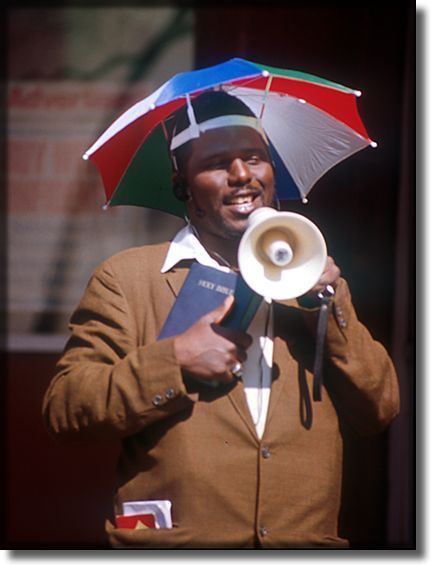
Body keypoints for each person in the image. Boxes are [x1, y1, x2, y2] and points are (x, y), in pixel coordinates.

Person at [42, 91, 399, 549]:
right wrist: (175, 361)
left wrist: (331, 304)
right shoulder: (128, 279)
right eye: (217, 163)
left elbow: (380, 410)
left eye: (254, 158)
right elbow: (65, 409)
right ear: (183, 185)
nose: (242, 175)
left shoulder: (314, 282)